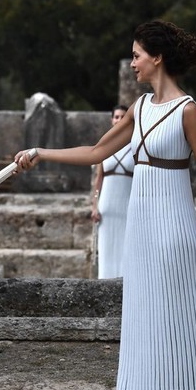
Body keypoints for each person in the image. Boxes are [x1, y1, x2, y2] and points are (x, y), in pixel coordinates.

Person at [15, 21, 196, 390]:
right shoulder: (140, 108)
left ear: (157, 57)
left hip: (174, 228)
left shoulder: (188, 110)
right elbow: (96, 151)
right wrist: (40, 152)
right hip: (140, 228)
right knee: (141, 321)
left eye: (136, 55)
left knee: (193, 317)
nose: (132, 63)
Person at [90, 105, 133, 278]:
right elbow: (98, 179)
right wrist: (95, 205)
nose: (119, 120)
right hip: (107, 205)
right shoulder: (105, 146)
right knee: (107, 250)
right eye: (116, 117)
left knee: (126, 250)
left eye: (123, 117)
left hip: (128, 204)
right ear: (111, 120)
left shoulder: (136, 146)